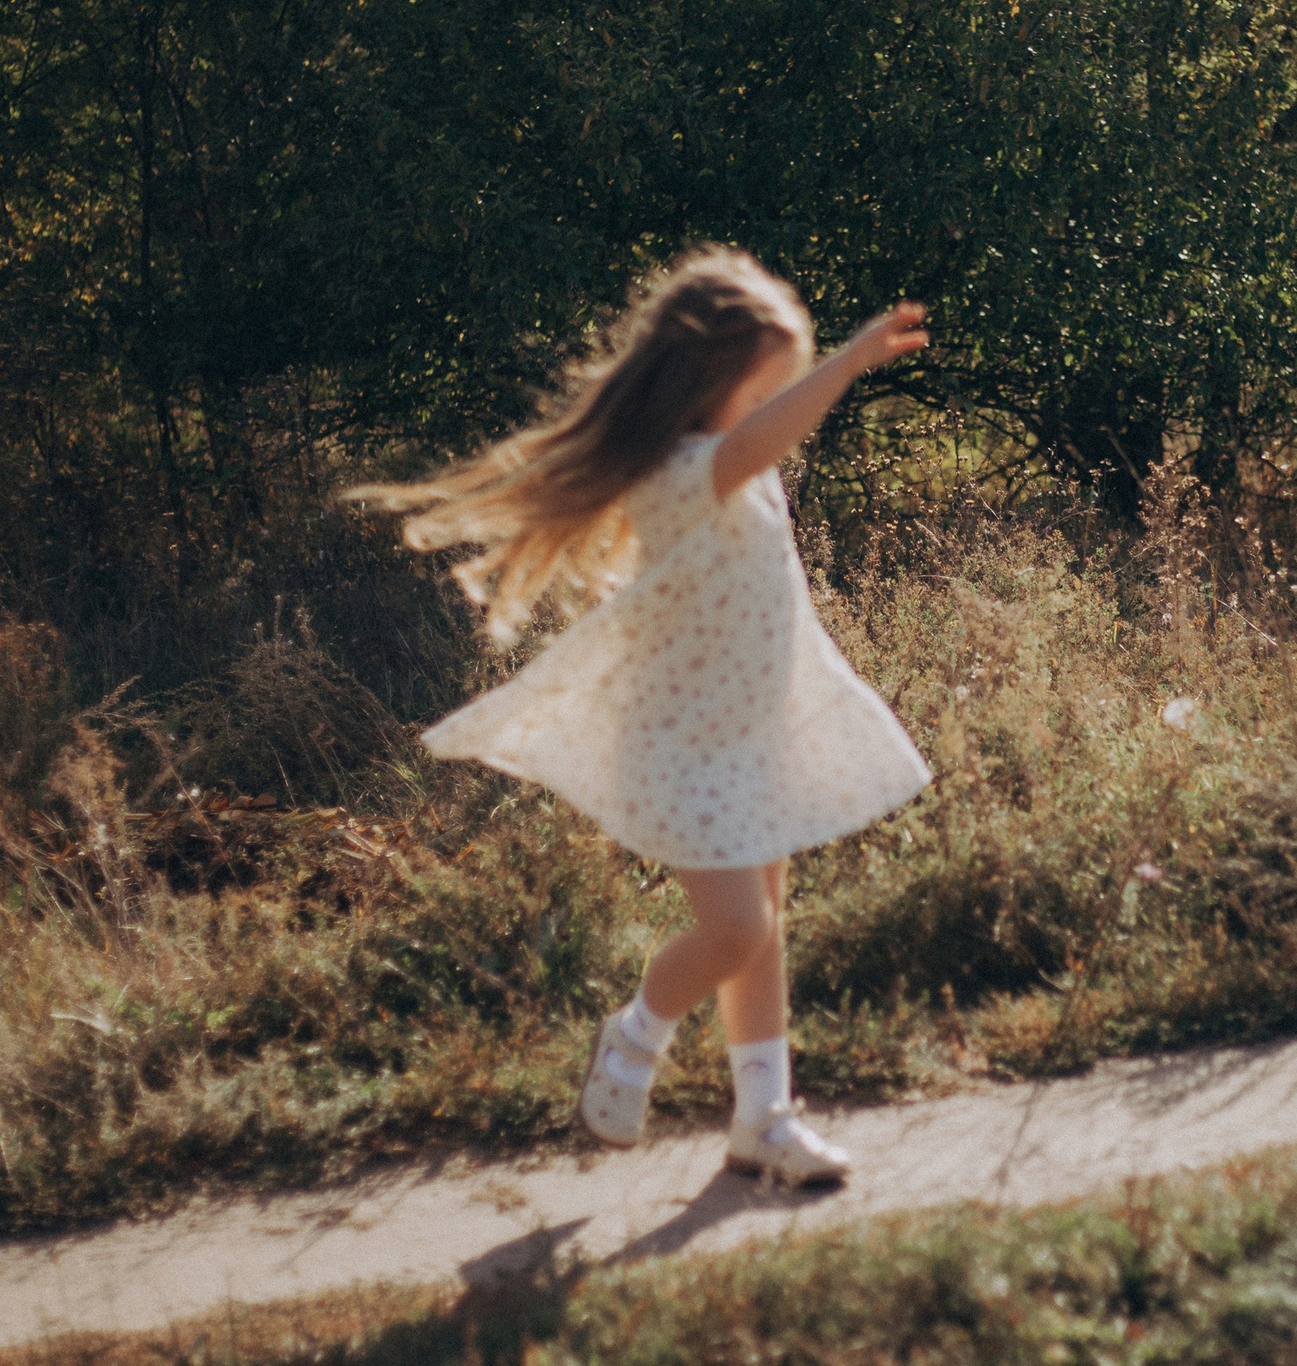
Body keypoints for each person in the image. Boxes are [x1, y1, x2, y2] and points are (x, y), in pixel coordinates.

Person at [350, 247, 932, 1187]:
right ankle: (633, 1037)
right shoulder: (682, 470)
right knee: (738, 928)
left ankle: (765, 1121)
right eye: (760, 387)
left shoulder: (734, 464)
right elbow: (755, 444)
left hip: (754, 728)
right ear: (709, 375)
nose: (765, 408)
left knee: (764, 925)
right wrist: (851, 361)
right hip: (686, 746)